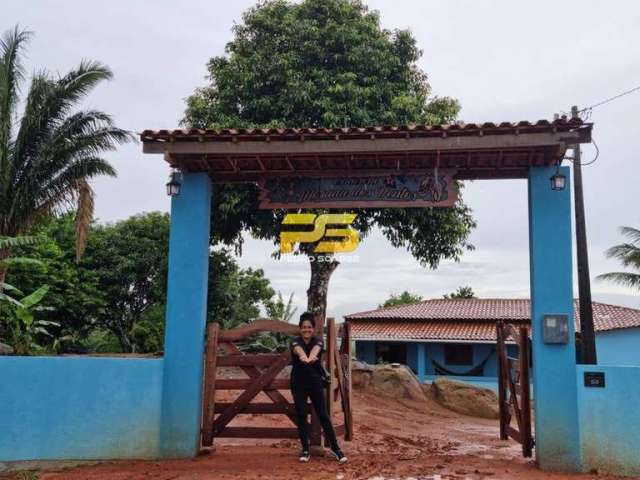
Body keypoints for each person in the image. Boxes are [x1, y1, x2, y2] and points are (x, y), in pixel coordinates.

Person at [289, 312, 347, 464]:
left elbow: (316, 350)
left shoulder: (318, 341)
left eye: (309, 327)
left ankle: (336, 449)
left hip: (315, 382)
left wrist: (310, 357)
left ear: (313, 329)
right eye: (303, 327)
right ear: (300, 329)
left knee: (322, 414)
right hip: (298, 382)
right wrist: (304, 357)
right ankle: (305, 449)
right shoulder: (295, 342)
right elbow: (299, 351)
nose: (306, 330)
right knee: (301, 415)